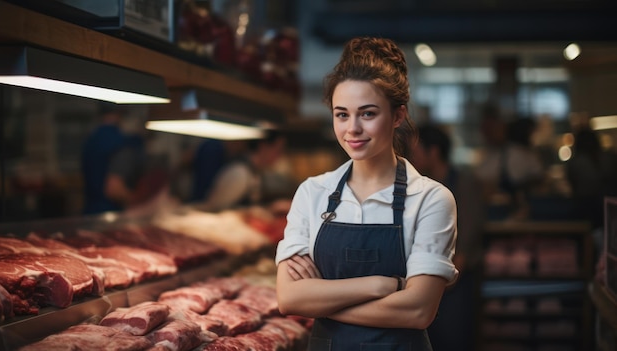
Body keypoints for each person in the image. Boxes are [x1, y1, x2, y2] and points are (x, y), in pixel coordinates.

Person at [275, 37, 458, 351]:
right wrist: (382, 285)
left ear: (398, 116)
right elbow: (290, 298)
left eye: (368, 114)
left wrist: (322, 300)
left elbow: (418, 311)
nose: (352, 129)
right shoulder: (312, 193)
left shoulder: (431, 199)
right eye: (342, 114)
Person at [410, 124, 485, 351]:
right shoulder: (419, 186)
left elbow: (470, 229)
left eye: (416, 152)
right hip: (425, 277)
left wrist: (453, 271)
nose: (412, 158)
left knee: (455, 336)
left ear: (433, 152)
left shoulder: (463, 182)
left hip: (456, 278)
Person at [194, 128, 286, 212]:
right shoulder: (239, 172)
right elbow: (214, 210)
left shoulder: (255, 172)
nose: (279, 155)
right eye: (278, 150)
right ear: (263, 146)